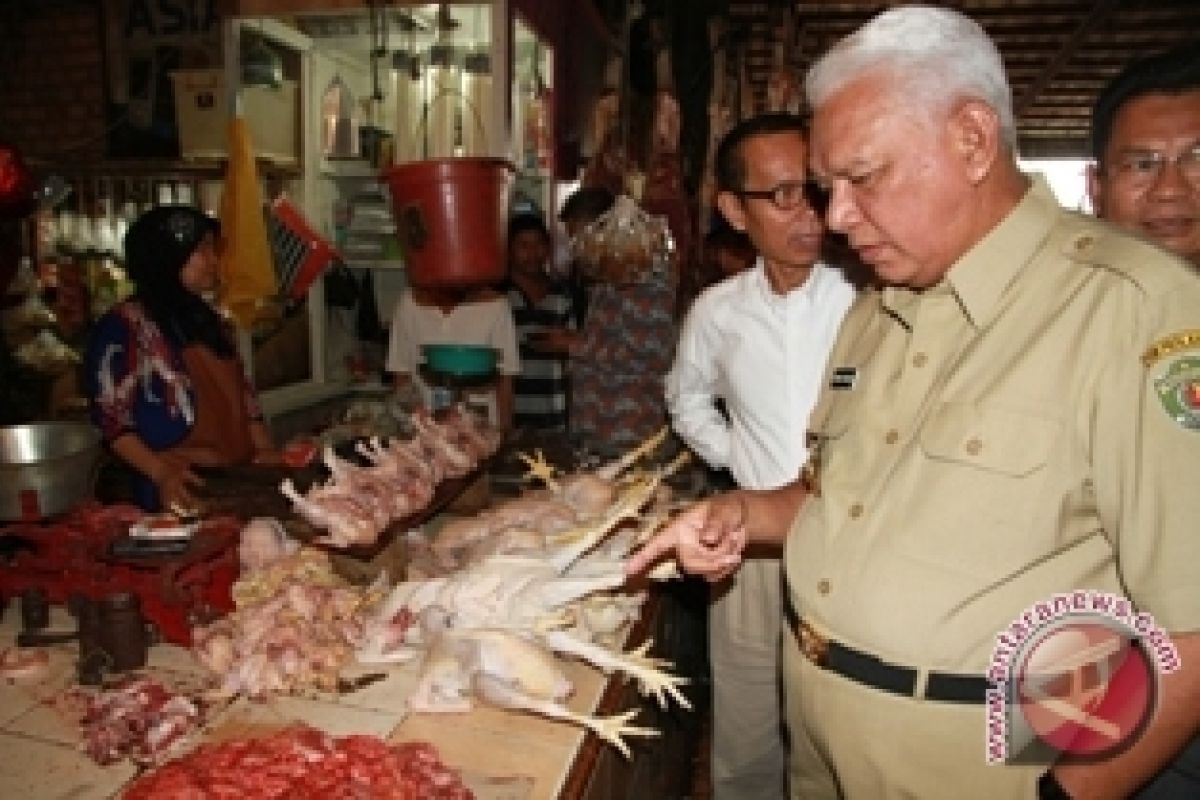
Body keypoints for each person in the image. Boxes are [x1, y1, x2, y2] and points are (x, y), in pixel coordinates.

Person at [630, 7, 1200, 800]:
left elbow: (1190, 622)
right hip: (821, 741)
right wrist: (746, 514)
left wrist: (1069, 793)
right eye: (827, 190)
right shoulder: (880, 304)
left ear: (971, 140)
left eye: (862, 179)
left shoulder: (1133, 308)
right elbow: (840, 497)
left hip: (986, 762)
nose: (834, 219)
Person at [666, 113, 855, 800]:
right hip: (752, 550)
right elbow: (686, 400)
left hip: (853, 543)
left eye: (814, 188)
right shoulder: (718, 312)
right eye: (780, 195)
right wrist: (738, 458)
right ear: (733, 211)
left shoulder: (867, 295)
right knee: (746, 722)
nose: (806, 212)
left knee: (838, 729)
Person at [84, 205, 280, 512]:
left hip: (234, 480)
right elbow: (112, 422)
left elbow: (244, 397)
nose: (214, 262)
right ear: (167, 257)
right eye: (202, 251)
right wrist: (162, 474)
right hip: (176, 487)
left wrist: (266, 452)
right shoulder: (126, 327)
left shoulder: (209, 320)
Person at [541, 187, 677, 454]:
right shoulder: (605, 281)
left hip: (629, 430)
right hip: (595, 427)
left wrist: (574, 345)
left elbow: (653, 356)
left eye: (578, 235)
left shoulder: (648, 284)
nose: (576, 246)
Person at [1087, 41, 1200, 267]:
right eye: (1142, 165)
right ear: (1096, 189)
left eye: (1197, 158)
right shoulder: (1051, 298)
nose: (1169, 190)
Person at [385, 284, 519, 429]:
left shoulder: (497, 305)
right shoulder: (409, 302)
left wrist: (505, 434)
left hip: (481, 427)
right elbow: (401, 374)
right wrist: (408, 427)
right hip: (426, 428)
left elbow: (505, 378)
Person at [504, 212, 576, 431]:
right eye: (523, 246)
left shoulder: (562, 296)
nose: (532, 253)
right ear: (509, 250)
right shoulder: (499, 297)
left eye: (538, 245)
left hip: (554, 418)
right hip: (511, 419)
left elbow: (571, 362)